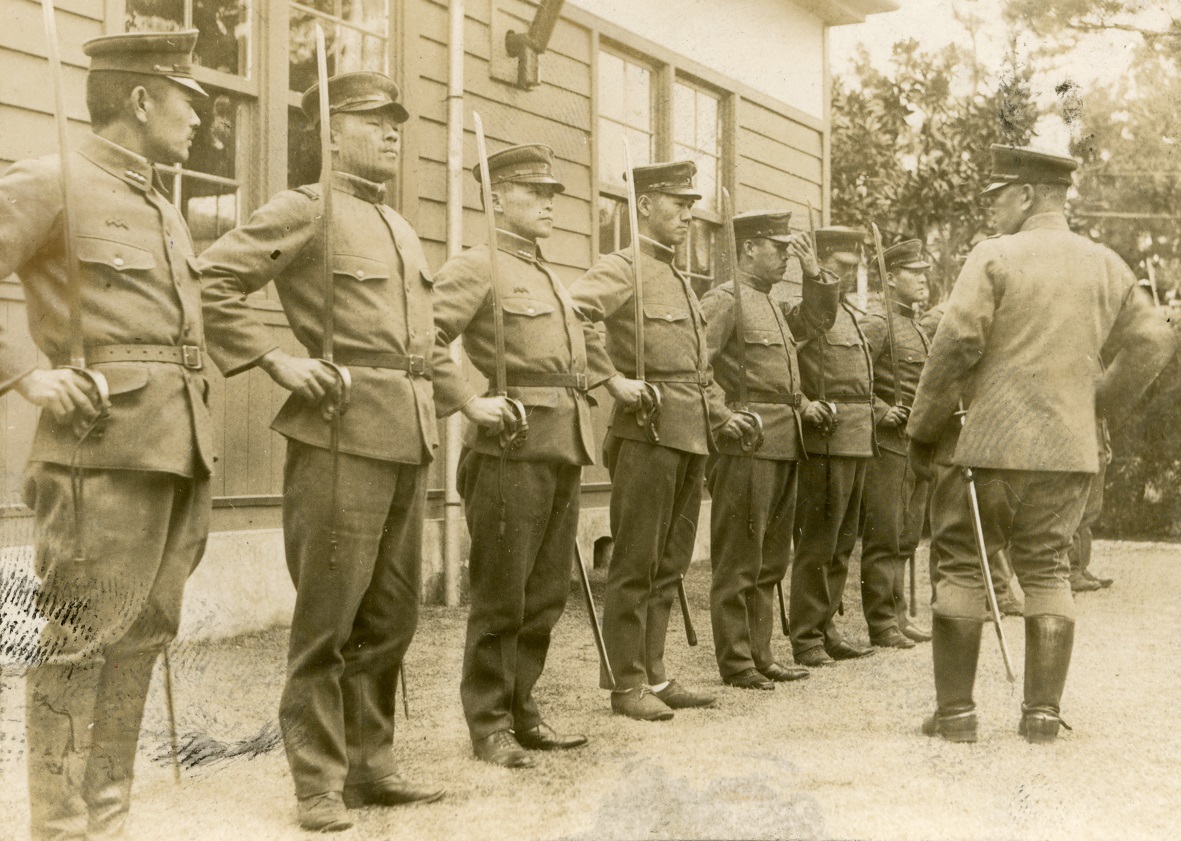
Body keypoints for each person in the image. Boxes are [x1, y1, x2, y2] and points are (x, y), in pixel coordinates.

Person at [199, 72, 445, 831]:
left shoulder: (399, 226)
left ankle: (373, 765)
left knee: (393, 614)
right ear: (332, 133)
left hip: (407, 434)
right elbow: (211, 279)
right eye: (374, 120)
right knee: (328, 620)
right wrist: (276, 359)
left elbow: (423, 344)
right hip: (338, 432)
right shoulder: (304, 210)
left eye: (397, 120)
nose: (392, 132)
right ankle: (316, 781)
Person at [0, 31, 213, 840]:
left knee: (143, 638)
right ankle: (59, 829)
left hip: (174, 452)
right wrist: (26, 373)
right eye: (187, 101)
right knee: (78, 640)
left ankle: (108, 823)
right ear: (139, 100)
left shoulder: (162, 203)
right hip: (98, 451)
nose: (198, 119)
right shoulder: (53, 177)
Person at [909, 144, 1175, 744]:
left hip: (987, 447)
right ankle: (1042, 715)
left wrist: (922, 429)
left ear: (1027, 194)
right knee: (1050, 569)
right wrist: (1097, 405)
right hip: (1067, 451)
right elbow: (1156, 338)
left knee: (960, 565)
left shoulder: (994, 256)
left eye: (999, 196)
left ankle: (955, 715)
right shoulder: (1107, 263)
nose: (994, 210)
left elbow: (955, 340)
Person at [430, 144, 646, 766]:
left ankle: (524, 708)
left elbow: (583, 348)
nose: (550, 203)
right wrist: (469, 401)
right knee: (503, 593)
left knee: (546, 592)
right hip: (510, 447)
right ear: (497, 199)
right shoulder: (477, 266)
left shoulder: (549, 274)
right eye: (535, 193)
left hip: (560, 445)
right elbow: (425, 334)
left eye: (553, 193)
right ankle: (489, 723)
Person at [569, 161, 753, 721]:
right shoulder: (622, 268)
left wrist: (720, 416)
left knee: (670, 562)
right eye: (677, 205)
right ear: (644, 205)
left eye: (691, 207)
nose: (687, 216)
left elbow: (696, 370)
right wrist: (610, 378)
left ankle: (655, 672)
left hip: (689, 436)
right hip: (646, 434)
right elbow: (572, 311)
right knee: (636, 561)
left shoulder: (680, 279)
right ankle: (625, 684)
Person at [699, 210, 837, 690]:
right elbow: (697, 366)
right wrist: (722, 417)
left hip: (784, 440)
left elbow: (818, 320)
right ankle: (736, 662)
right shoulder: (726, 300)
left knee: (771, 558)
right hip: (748, 442)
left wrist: (815, 275)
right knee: (739, 557)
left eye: (786, 250)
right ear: (748, 248)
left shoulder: (771, 303)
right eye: (777, 248)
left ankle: (761, 654)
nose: (785, 257)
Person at [788, 227, 877, 668]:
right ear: (819, 263)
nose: (845, 276)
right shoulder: (809, 311)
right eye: (839, 267)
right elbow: (784, 365)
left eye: (851, 268)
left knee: (842, 544)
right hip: (827, 438)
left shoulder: (850, 314)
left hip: (857, 437)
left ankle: (825, 627)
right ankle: (805, 636)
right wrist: (804, 404)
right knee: (818, 541)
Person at [858, 239, 931, 649]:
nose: (922, 278)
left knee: (906, 535)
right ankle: (881, 622)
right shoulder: (877, 324)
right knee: (885, 534)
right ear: (889, 278)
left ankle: (898, 613)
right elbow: (847, 377)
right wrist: (878, 408)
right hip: (886, 446)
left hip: (914, 444)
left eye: (923, 271)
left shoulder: (914, 326)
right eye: (913, 272)